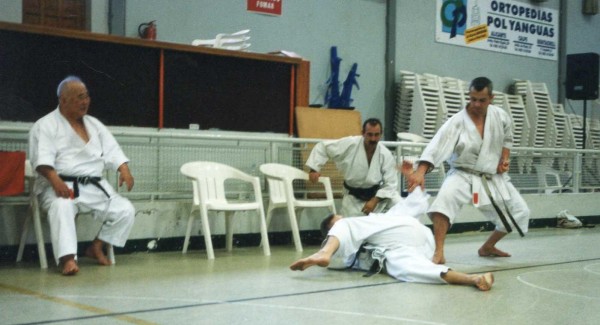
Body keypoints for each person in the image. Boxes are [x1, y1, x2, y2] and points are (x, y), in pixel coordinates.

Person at [290, 162, 494, 291]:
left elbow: (415, 202)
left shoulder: (379, 221)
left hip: (413, 234)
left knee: (376, 224)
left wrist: (410, 178)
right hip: (408, 249)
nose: (343, 222)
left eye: (340, 221)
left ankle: (323, 253)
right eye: (337, 223)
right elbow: (346, 238)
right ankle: (474, 279)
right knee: (411, 269)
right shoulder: (352, 251)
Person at [407, 76, 530, 265]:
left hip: (492, 176)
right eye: (472, 99)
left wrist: (504, 159)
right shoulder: (457, 121)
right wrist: (420, 172)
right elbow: (437, 146)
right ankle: (439, 252)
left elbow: (507, 139)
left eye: (482, 100)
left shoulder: (500, 116)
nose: (476, 104)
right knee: (442, 204)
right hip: (463, 174)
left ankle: (487, 247)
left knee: (520, 211)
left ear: (491, 98)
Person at [29, 76, 136, 275]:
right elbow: (41, 160)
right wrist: (55, 180)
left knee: (125, 210)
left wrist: (123, 168)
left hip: (93, 186)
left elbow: (112, 149)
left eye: (86, 96)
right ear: (63, 100)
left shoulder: (94, 124)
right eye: (79, 97)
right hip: (59, 185)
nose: (85, 101)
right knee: (63, 205)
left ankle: (96, 246)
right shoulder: (45, 125)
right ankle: (68, 259)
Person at [305, 118, 401, 217]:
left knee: (399, 205)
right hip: (353, 196)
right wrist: (314, 169)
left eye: (376, 135)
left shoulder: (385, 154)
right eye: (370, 134)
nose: (373, 139)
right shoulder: (350, 144)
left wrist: (375, 200)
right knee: (351, 224)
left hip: (377, 196)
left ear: (381, 134)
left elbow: (391, 183)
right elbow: (323, 147)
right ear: (363, 133)